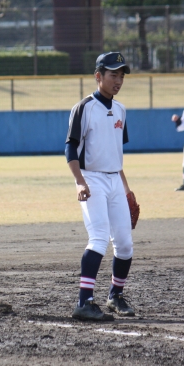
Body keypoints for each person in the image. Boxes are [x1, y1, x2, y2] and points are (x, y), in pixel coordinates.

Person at [65, 52, 137, 322]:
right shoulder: (84, 107)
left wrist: (126, 190)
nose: (118, 80)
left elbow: (115, 154)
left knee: (125, 244)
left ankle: (115, 295)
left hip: (114, 180)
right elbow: (70, 147)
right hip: (91, 178)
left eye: (122, 75)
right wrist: (79, 182)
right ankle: (84, 302)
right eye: (113, 74)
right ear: (98, 76)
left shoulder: (121, 110)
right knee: (98, 238)